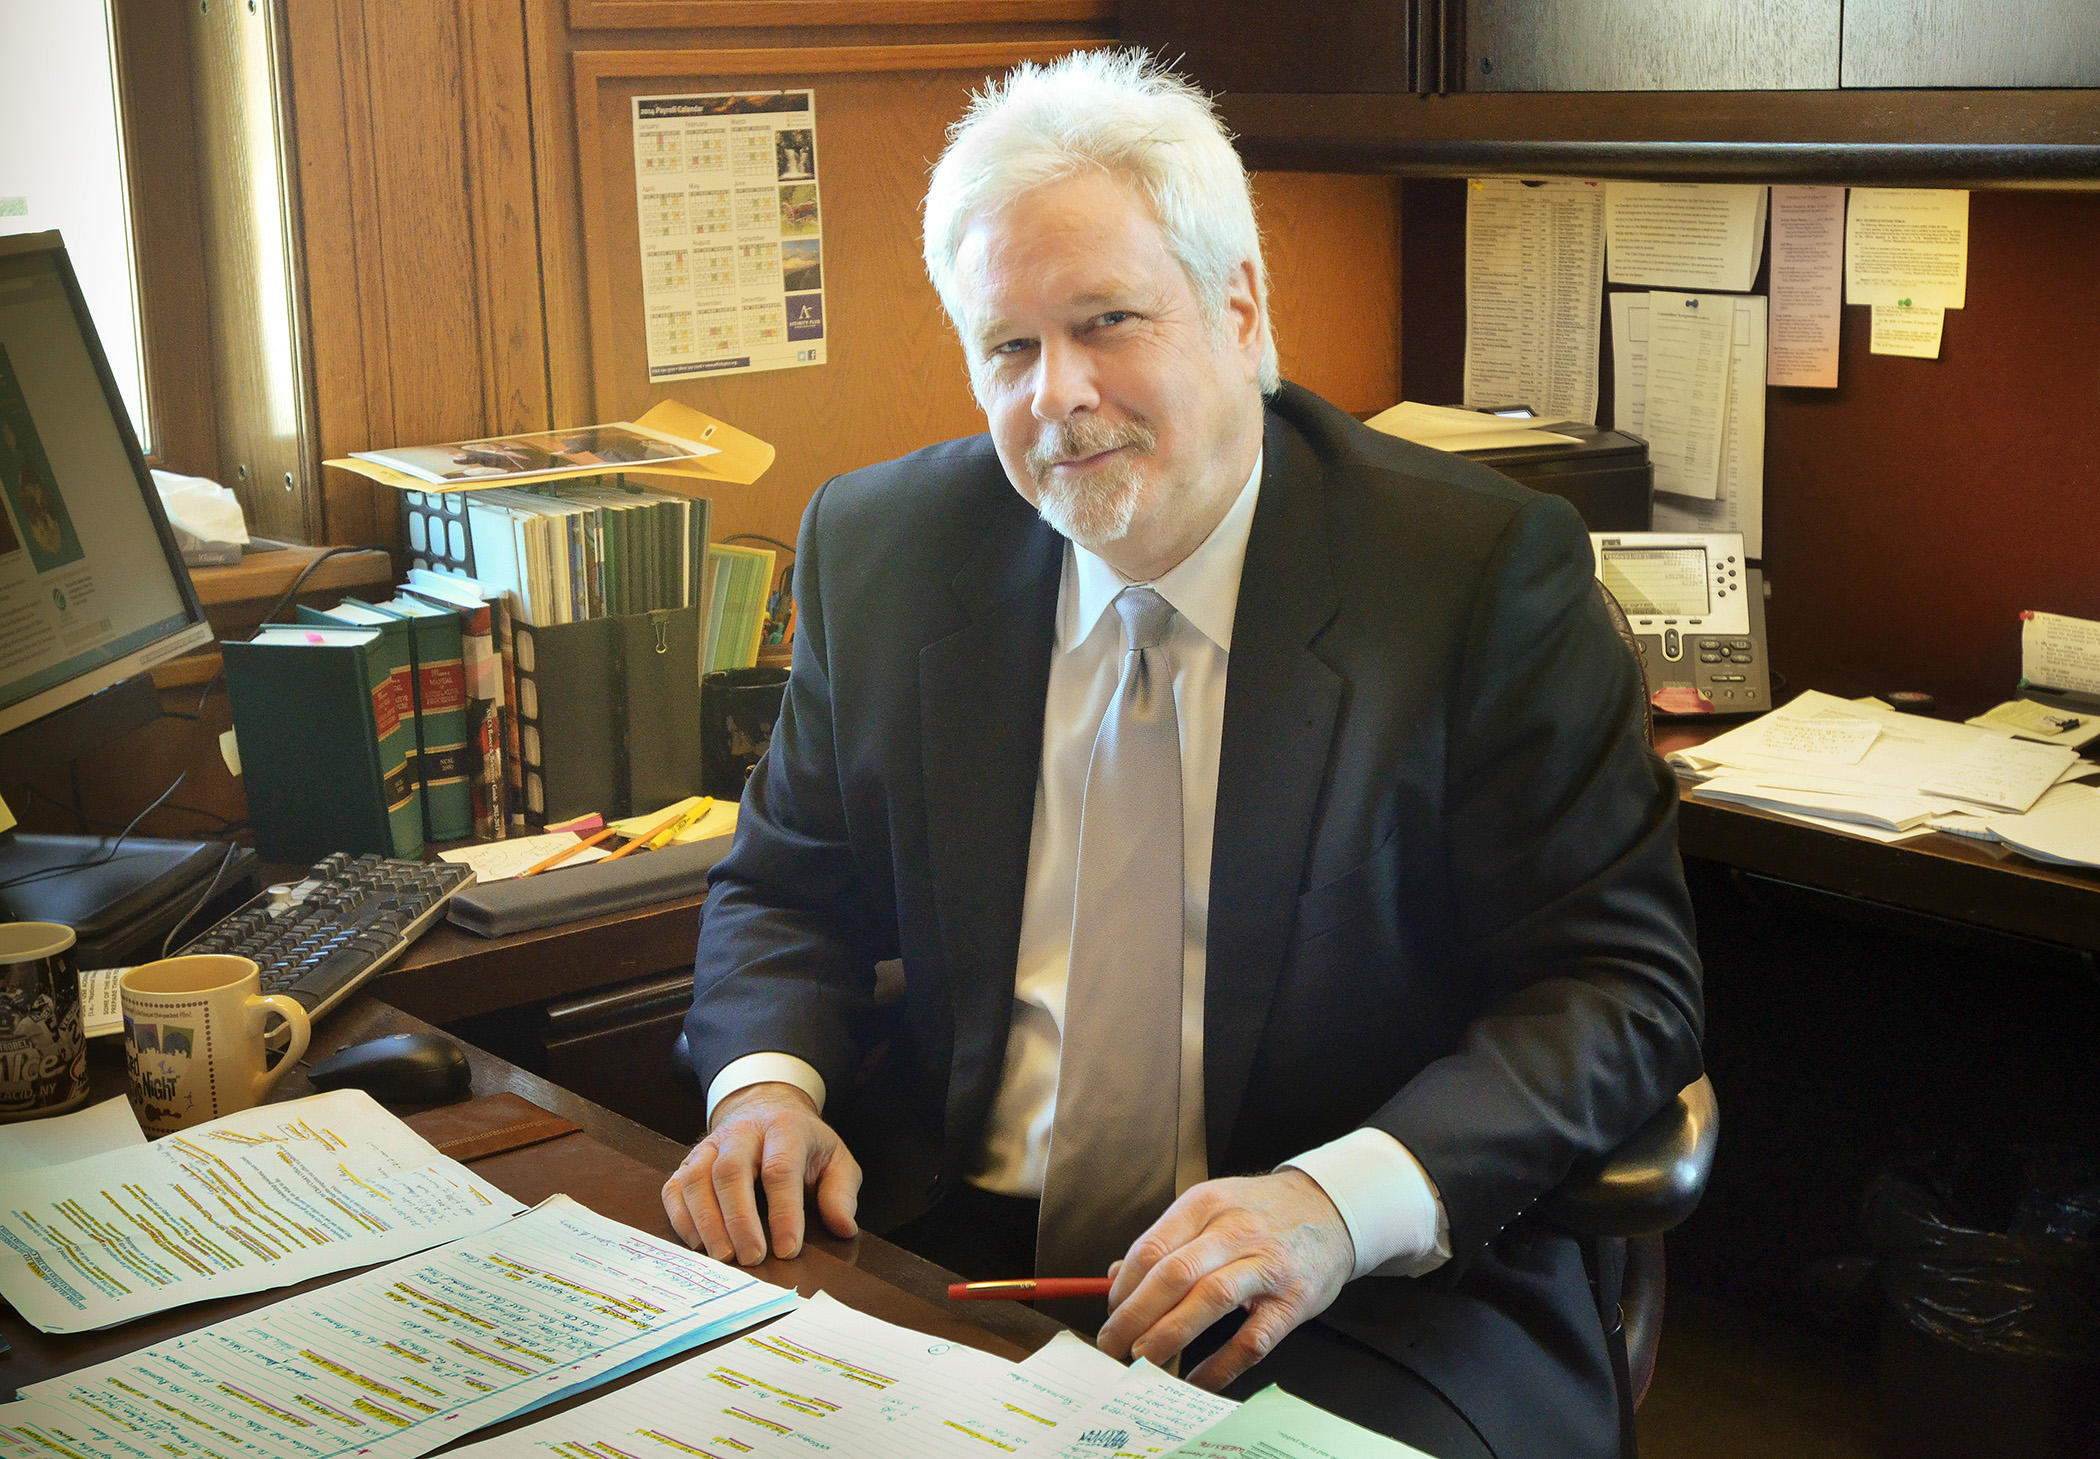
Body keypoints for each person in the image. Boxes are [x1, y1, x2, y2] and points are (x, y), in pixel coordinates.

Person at [662, 49, 1702, 1459]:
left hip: (1357, 1300)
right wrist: (769, 1093)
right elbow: (786, 890)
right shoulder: (887, 549)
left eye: (1109, 322)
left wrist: (1337, 1206)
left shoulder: (1472, 575)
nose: (1060, 398)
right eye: (1010, 348)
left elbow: (1619, 988)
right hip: (956, 1246)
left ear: (1239, 312)